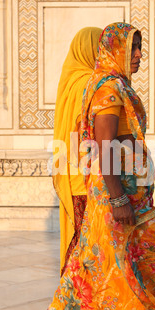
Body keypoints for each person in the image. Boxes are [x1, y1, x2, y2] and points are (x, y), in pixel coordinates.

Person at [31, 22, 155, 310]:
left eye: (140, 48)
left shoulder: (114, 85)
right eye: (132, 49)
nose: (139, 55)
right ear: (114, 51)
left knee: (96, 262)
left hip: (123, 193)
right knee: (154, 259)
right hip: (119, 196)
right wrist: (119, 197)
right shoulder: (109, 89)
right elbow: (105, 145)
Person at [51, 27, 102, 277]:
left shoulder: (70, 80)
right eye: (99, 47)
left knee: (79, 238)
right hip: (86, 178)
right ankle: (77, 302)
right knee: (89, 244)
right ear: (89, 50)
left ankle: (73, 300)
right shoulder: (89, 84)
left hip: (72, 175)